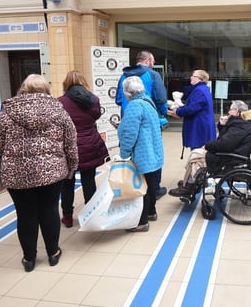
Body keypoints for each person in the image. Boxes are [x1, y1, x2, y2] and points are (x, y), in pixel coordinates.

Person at [0, 74, 78, 272]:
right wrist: (72, 166)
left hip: (16, 174)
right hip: (52, 172)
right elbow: (71, 143)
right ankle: (53, 253)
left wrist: (11, 149)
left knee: (25, 214)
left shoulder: (8, 112)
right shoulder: (59, 111)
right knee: (50, 210)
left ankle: (29, 259)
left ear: (23, 89)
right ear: (46, 89)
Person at [169, 103, 251, 197]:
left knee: (195, 156)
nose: (228, 111)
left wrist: (207, 145)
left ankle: (189, 186)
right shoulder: (249, 126)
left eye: (230, 109)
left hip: (229, 159)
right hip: (235, 155)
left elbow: (225, 143)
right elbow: (227, 140)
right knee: (195, 154)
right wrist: (223, 125)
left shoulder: (241, 126)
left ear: (236, 111)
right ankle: (188, 182)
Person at [57, 70, 109, 228]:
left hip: (68, 147)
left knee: (67, 184)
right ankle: (90, 214)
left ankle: (67, 217)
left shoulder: (60, 102)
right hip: (89, 145)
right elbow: (96, 116)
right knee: (89, 181)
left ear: (66, 83)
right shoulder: (93, 99)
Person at [116, 51, 169, 199]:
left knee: (133, 152)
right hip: (150, 120)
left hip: (128, 117)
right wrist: (164, 113)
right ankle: (155, 190)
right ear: (147, 61)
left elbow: (118, 99)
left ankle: (134, 183)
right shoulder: (153, 75)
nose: (153, 63)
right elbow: (161, 98)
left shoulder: (123, 76)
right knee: (152, 151)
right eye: (153, 61)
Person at [118, 76, 164, 232]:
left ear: (127, 92)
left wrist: (124, 153)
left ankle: (141, 221)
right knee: (150, 185)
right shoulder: (147, 101)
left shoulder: (134, 106)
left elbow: (130, 133)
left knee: (140, 188)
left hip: (143, 153)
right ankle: (151, 212)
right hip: (153, 151)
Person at [169, 70, 217, 151]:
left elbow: (192, 109)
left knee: (198, 154)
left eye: (193, 76)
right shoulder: (203, 89)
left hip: (199, 128)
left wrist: (177, 111)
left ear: (200, 79)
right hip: (201, 126)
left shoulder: (199, 91)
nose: (191, 77)